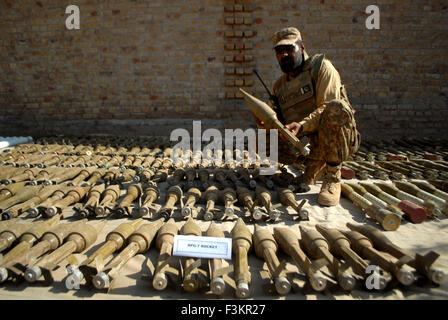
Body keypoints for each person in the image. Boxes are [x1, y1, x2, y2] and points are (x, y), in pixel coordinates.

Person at [256, 27, 360, 206]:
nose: (284, 55)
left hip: (334, 138)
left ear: (302, 47)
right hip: (305, 144)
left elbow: (328, 106)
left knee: (336, 107)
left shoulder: (321, 68)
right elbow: (277, 123)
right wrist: (265, 125)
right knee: (262, 136)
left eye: (289, 49)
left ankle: (333, 175)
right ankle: (310, 168)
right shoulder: (279, 87)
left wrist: (302, 125)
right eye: (280, 51)